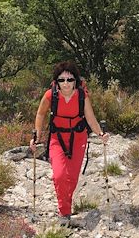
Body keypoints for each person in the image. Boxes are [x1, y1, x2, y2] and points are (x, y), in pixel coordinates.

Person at [30, 61, 108, 223]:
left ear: (75, 81)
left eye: (70, 79)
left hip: (78, 138)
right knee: (59, 176)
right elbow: (40, 115)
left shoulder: (82, 96)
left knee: (72, 178)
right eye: (62, 80)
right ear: (56, 81)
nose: (66, 83)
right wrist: (36, 136)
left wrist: (100, 133)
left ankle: (66, 204)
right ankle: (64, 212)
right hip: (57, 139)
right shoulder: (50, 95)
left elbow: (90, 119)